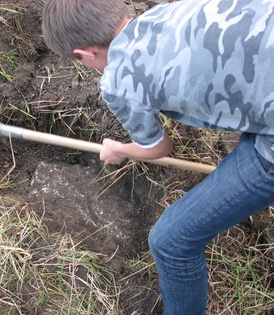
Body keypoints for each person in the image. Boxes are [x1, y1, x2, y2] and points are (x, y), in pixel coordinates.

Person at [42, 0, 274, 314]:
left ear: (85, 54)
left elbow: (159, 149)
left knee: (170, 242)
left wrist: (119, 149)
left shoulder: (119, 82)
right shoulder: (169, 10)